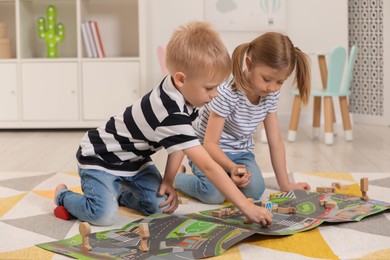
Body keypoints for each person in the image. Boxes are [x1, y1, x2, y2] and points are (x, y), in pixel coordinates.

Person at [54, 21, 273, 227]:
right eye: (209, 88)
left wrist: (169, 180)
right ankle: (63, 196)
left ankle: (118, 191)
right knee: (104, 216)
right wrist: (245, 207)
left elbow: (177, 145)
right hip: (100, 158)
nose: (214, 95)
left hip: (135, 163)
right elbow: (207, 165)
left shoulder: (186, 94)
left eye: (217, 87)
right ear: (181, 79)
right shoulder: (169, 110)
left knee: (161, 206)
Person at [174, 32, 312, 204]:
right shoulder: (227, 93)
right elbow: (210, 144)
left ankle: (227, 179)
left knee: (255, 190)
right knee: (214, 194)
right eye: (267, 79)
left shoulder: (270, 94)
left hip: (240, 154)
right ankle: (176, 177)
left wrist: (286, 184)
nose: (272, 88)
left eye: (280, 82)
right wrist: (231, 168)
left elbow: (275, 140)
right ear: (249, 63)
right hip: (208, 153)